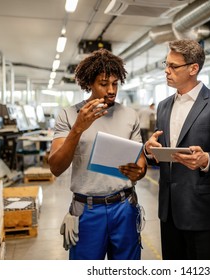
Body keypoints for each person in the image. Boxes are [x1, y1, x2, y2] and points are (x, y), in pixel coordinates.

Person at [144, 39, 210, 260]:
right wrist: (150, 150)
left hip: (202, 212)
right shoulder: (164, 106)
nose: (166, 71)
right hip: (169, 212)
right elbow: (162, 151)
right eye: (165, 65)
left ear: (193, 68)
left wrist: (206, 160)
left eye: (173, 66)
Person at [48, 49, 147, 260]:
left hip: (124, 208)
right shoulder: (69, 115)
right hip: (87, 210)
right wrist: (77, 129)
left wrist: (138, 172)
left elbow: (140, 162)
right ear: (89, 84)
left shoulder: (129, 115)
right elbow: (56, 167)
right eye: (103, 84)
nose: (111, 90)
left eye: (115, 83)